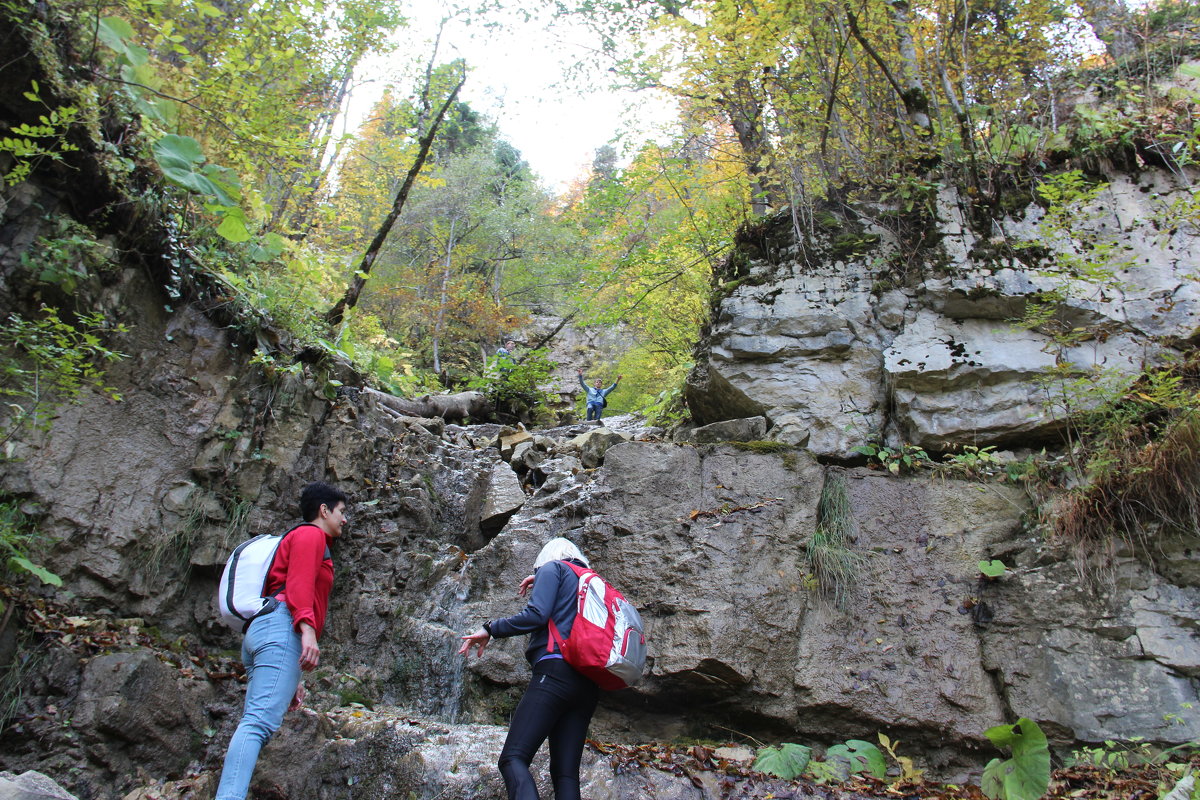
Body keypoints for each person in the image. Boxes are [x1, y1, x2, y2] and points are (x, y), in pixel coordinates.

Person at [214, 481, 348, 800]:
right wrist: (307, 629)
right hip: (281, 625)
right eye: (342, 512)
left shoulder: (299, 537)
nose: (345, 519)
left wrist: (291, 677)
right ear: (324, 510)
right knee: (257, 724)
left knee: (255, 722)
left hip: (262, 631)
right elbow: (299, 582)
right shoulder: (311, 534)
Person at [459, 538, 600, 800]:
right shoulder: (591, 581)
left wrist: (490, 628)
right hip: (589, 683)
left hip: (556, 673)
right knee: (566, 775)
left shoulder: (552, 569)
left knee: (513, 758)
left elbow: (537, 615)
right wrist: (544, 579)